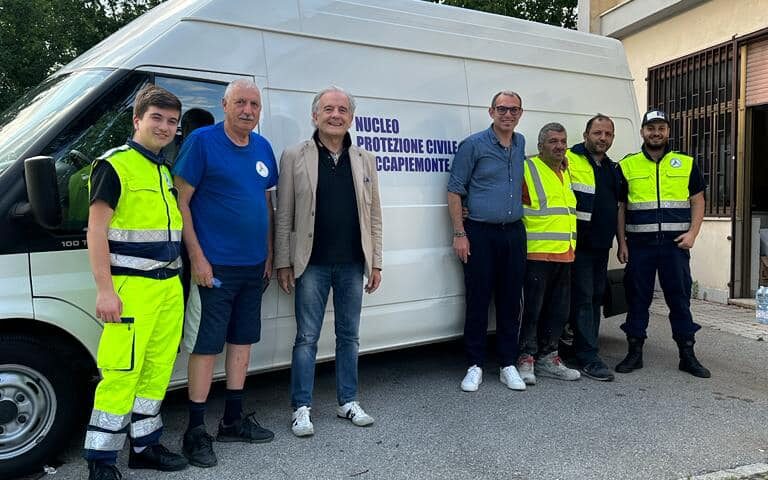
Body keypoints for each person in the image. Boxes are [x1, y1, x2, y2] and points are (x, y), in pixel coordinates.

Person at [83, 84, 188, 480]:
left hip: (167, 288)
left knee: (157, 370)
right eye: (156, 118)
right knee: (121, 373)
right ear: (137, 120)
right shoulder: (115, 164)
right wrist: (105, 291)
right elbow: (96, 231)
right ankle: (101, 462)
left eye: (172, 121)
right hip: (131, 291)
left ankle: (144, 446)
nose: (164, 127)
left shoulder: (163, 169)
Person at [173, 79, 277, 468]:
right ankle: (195, 430)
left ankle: (233, 420)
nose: (248, 110)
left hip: (253, 267)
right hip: (213, 268)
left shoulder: (262, 147)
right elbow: (181, 203)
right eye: (240, 103)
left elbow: (265, 207)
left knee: (242, 341)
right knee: (205, 347)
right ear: (225, 105)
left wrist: (268, 253)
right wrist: (196, 257)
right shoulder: (201, 142)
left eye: (254, 104)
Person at [275, 86, 382, 437]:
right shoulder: (294, 155)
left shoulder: (365, 158)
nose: (335, 115)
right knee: (306, 338)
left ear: (351, 117)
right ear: (315, 115)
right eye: (328, 109)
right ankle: (301, 407)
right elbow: (285, 214)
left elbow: (374, 215)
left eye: (342, 110)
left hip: (352, 263)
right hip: (312, 264)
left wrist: (375, 262)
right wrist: (283, 262)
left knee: (349, 337)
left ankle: (347, 401)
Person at [615, 110, 710, 378]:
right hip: (640, 246)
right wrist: (621, 242)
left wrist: (693, 233)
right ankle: (634, 353)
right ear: (642, 131)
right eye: (651, 128)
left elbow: (698, 200)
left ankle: (687, 354)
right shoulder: (627, 165)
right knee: (637, 300)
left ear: (668, 131)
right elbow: (620, 207)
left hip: (674, 246)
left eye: (661, 128)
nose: (656, 133)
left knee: (679, 300)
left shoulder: (686, 163)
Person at [447, 91, 527, 393]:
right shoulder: (473, 145)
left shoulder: (520, 144)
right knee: (478, 299)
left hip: (514, 232)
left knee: (510, 301)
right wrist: (459, 233)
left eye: (514, 110)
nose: (508, 115)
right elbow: (455, 190)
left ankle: (508, 363)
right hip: (479, 232)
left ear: (521, 113)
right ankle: (475, 364)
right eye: (502, 109)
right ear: (491, 111)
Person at [516, 122, 581, 385]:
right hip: (536, 254)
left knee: (558, 311)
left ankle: (549, 357)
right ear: (540, 145)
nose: (560, 146)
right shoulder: (527, 168)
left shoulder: (566, 171)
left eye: (563, 141)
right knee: (531, 311)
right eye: (553, 141)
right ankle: (525, 357)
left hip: (565, 253)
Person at [565, 115, 620, 381]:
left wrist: (622, 244)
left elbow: (620, 208)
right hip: (576, 246)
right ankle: (588, 355)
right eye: (597, 133)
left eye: (608, 134)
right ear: (586, 134)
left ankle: (580, 346)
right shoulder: (568, 159)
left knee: (595, 297)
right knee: (584, 299)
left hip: (600, 247)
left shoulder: (612, 168)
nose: (603, 138)